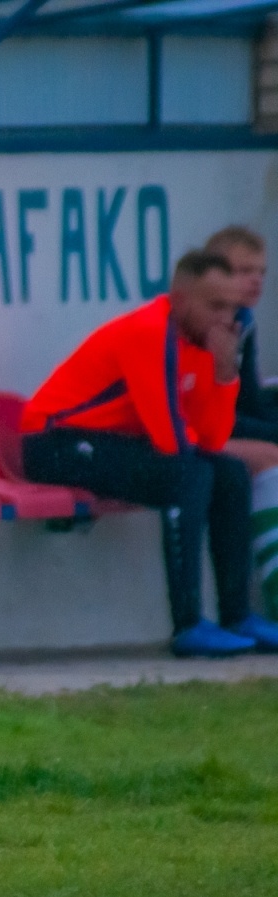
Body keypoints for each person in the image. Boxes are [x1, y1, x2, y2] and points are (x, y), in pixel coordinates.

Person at [19, 250, 278, 657]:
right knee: (189, 475)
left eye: (231, 308)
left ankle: (237, 614)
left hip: (112, 443)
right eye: (214, 306)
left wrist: (224, 373)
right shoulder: (149, 332)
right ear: (180, 298)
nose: (225, 319)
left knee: (226, 472)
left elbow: (211, 440)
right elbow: (169, 440)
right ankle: (188, 624)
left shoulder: (203, 343)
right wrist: (196, 451)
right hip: (55, 442)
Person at [203, 225, 278, 619]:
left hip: (225, 422)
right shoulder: (205, 323)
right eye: (244, 270)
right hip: (190, 433)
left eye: (262, 271)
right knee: (268, 455)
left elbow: (247, 398)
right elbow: (218, 412)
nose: (256, 280)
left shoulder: (244, 318)